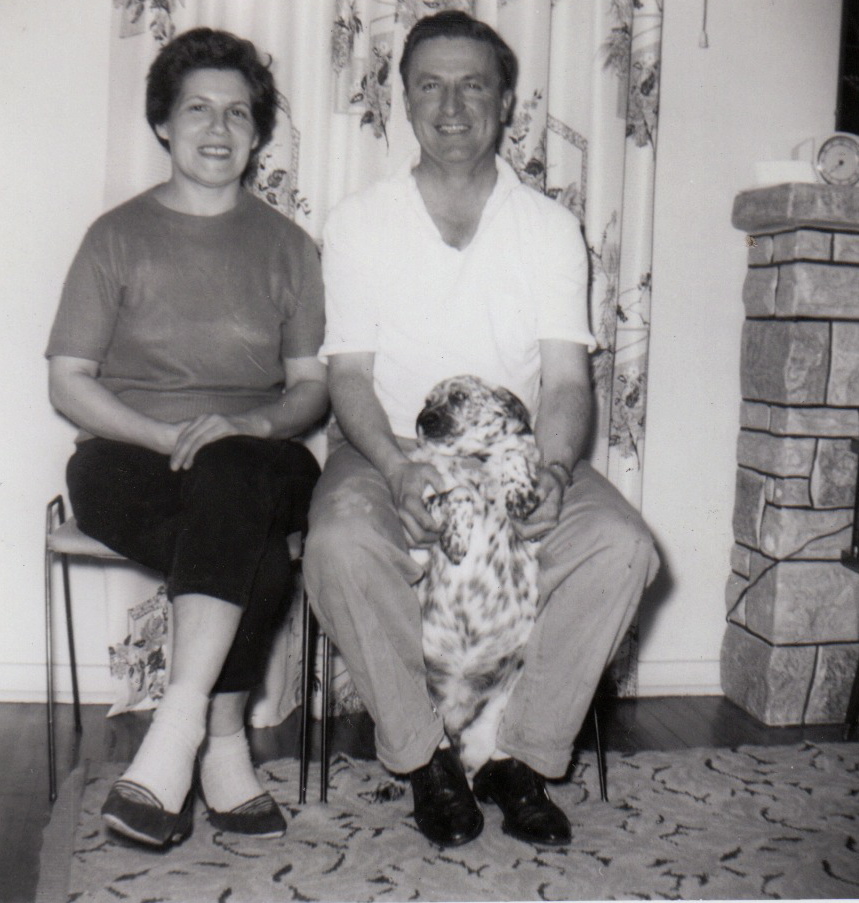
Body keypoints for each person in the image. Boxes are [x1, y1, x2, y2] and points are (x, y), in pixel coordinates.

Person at [304, 10, 659, 848]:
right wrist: (395, 468)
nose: (451, 106)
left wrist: (555, 472)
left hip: (516, 452)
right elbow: (347, 376)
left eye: (473, 86)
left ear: (504, 103)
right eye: (430, 86)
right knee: (339, 546)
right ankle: (423, 754)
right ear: (403, 102)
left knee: (622, 546)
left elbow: (566, 381)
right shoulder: (359, 220)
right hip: (389, 446)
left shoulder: (548, 227)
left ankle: (518, 756)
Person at [46, 28, 327, 848]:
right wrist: (167, 434)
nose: (218, 127)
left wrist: (247, 424)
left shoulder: (289, 247)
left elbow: (309, 386)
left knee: (235, 474)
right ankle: (223, 746)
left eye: (238, 112)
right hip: (127, 457)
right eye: (197, 108)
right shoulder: (115, 236)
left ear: (258, 131)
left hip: (260, 454)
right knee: (253, 549)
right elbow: (68, 380)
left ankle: (173, 736)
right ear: (163, 124)